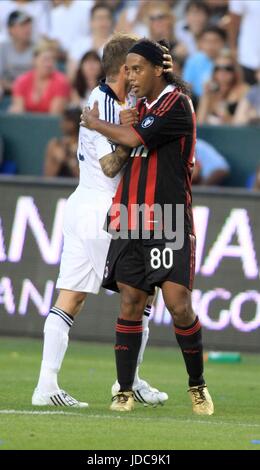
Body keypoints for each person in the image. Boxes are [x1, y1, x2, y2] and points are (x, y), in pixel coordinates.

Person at [32, 33, 172, 408]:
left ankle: (46, 386)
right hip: (104, 210)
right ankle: (131, 381)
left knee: (71, 298)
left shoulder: (106, 100)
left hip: (83, 204)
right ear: (124, 68)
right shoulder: (105, 105)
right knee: (142, 293)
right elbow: (111, 164)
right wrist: (134, 136)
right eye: (135, 64)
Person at [81, 38, 214, 415]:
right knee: (130, 303)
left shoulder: (175, 103)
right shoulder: (137, 106)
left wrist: (95, 122)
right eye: (127, 69)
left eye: (138, 69)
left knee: (178, 305)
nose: (130, 76)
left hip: (167, 216)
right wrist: (123, 121)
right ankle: (123, 390)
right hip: (128, 214)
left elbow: (135, 138)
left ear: (159, 70)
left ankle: (197, 385)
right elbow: (126, 147)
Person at [9, 39, 71, 114]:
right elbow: (18, 112)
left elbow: (54, 116)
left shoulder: (61, 81)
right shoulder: (21, 81)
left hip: (49, 125)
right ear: (34, 60)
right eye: (45, 59)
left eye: (53, 59)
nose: (49, 64)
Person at [197, 49, 248, 125]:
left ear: (235, 71)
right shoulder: (210, 91)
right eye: (218, 68)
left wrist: (224, 115)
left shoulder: (244, 90)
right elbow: (199, 123)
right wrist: (206, 96)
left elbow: (241, 124)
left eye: (228, 68)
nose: (222, 72)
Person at [183, 25, 226, 98]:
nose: (210, 45)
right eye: (207, 41)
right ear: (201, 43)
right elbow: (187, 85)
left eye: (215, 41)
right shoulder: (193, 60)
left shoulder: (228, 61)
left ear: (223, 43)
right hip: (197, 100)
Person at [0, 11, 34, 97]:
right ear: (11, 29)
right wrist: (16, 87)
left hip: (32, 93)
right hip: (7, 91)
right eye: (22, 25)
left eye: (28, 25)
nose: (27, 29)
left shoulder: (38, 48)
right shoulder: (3, 48)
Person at [44, 106, 81, 178]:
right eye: (64, 120)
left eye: (68, 120)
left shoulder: (84, 146)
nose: (63, 123)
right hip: (57, 188)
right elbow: (47, 177)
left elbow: (83, 179)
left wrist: (69, 160)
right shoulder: (55, 145)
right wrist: (58, 161)